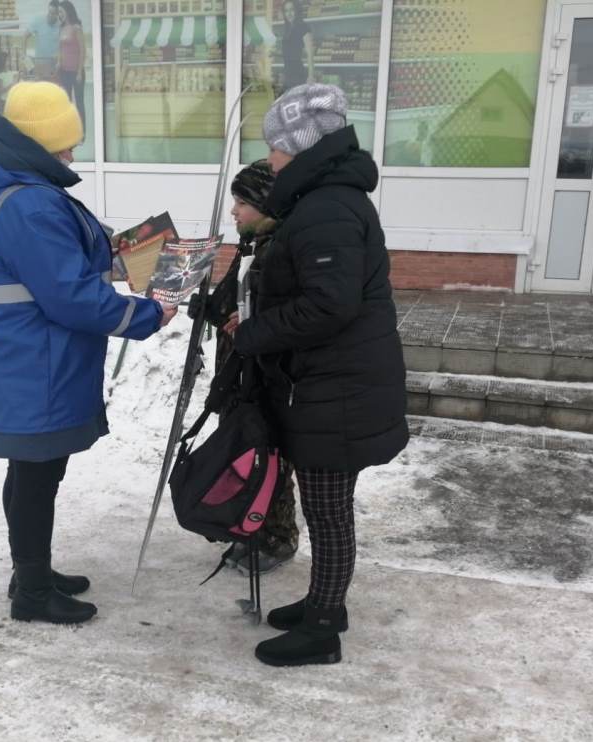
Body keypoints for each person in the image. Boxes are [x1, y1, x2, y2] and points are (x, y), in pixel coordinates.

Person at [0, 81, 177, 625]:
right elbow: (71, 295)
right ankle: (32, 593)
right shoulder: (27, 203)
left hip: (12, 355)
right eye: (65, 144)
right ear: (36, 143)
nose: (73, 154)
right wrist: (148, 314)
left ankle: (32, 572)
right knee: (37, 477)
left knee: (31, 473)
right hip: (32, 363)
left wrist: (126, 254)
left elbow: (54, 265)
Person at [232, 83, 409, 667]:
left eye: (277, 148)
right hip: (333, 382)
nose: (273, 160)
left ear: (303, 147)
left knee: (328, 511)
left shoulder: (328, 207)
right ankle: (322, 601)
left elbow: (329, 305)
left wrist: (252, 332)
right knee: (328, 506)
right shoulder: (326, 199)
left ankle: (324, 628)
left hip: (338, 388)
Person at [188, 160, 300, 575]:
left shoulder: (282, 248)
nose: (233, 211)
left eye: (241, 203)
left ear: (265, 204)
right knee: (241, 453)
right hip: (236, 372)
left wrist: (248, 326)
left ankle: (277, 536)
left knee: (268, 458)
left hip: (267, 376)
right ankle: (247, 523)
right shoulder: (250, 245)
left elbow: (283, 316)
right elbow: (231, 306)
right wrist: (208, 308)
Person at [57, 1, 86, 135]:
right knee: (67, 103)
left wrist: (79, 72)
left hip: (76, 72)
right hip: (64, 71)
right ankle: (69, 132)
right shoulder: (61, 28)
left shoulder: (76, 28)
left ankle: (82, 132)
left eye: (61, 12)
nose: (60, 15)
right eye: (59, 13)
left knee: (79, 103)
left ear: (68, 11)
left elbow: (83, 50)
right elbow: (60, 48)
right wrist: (58, 61)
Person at [279, 0, 314, 93]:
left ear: (297, 11)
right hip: (287, 73)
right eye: (286, 11)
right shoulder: (287, 28)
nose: (289, 13)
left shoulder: (303, 27)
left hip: (298, 74)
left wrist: (311, 76)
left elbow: (310, 53)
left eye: (292, 10)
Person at [25, 1, 62, 82]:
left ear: (58, 14)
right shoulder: (38, 20)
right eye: (49, 12)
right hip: (40, 64)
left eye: (53, 13)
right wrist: (24, 55)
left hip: (54, 65)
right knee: (40, 89)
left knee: (53, 90)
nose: (50, 15)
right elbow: (25, 36)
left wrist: (59, 59)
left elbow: (63, 46)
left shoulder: (61, 24)